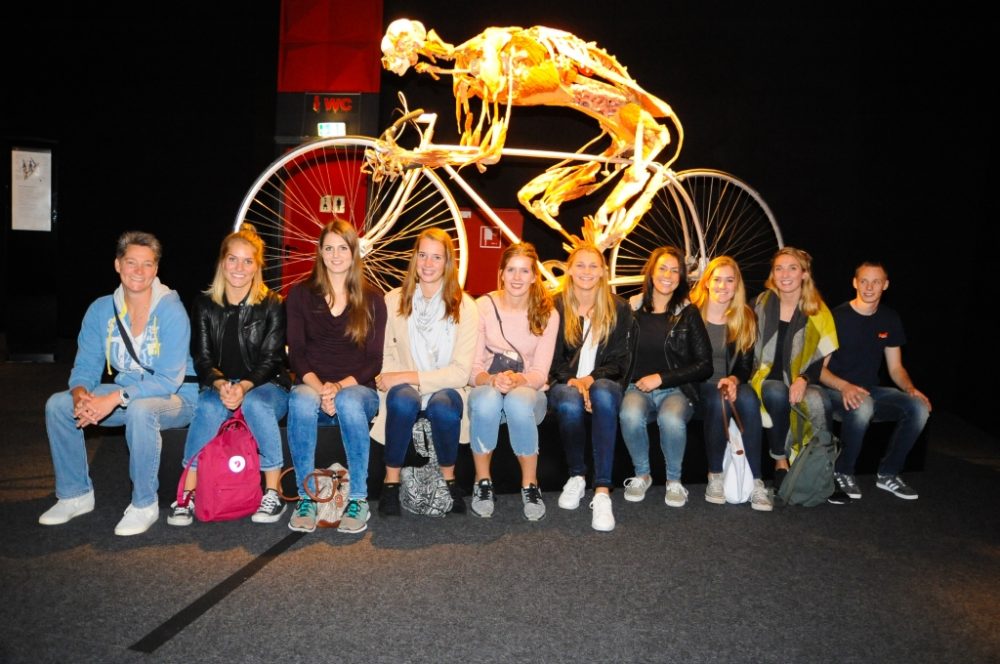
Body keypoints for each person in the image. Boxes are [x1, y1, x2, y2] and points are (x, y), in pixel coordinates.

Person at [40, 231, 198, 536]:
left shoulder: (171, 310)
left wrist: (114, 398)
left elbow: (168, 379)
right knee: (58, 405)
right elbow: (86, 365)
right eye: (131, 262)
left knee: (140, 410)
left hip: (178, 396)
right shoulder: (100, 310)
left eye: (147, 264)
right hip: (129, 392)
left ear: (156, 269)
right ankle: (75, 495)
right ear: (117, 265)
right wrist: (80, 395)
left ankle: (144, 504)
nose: (139, 271)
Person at [168, 224, 291, 527]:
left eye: (248, 261)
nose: (239, 267)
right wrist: (222, 384)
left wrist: (245, 387)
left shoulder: (273, 304)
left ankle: (272, 492)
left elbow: (272, 359)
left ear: (257, 266)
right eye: (233, 259)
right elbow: (203, 358)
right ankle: (187, 492)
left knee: (255, 405)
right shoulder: (204, 304)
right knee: (209, 407)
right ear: (222, 262)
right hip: (220, 385)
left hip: (267, 386)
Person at [285, 219, 386, 534]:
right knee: (300, 401)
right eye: (329, 248)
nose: (335, 255)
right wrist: (321, 388)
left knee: (350, 402)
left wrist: (338, 388)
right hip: (312, 383)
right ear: (320, 252)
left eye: (343, 248)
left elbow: (374, 361)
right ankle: (306, 498)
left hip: (358, 388)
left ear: (354, 252)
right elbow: (297, 354)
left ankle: (358, 498)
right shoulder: (300, 295)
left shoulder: (372, 298)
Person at [371, 228, 479, 516]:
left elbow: (459, 373)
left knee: (444, 407)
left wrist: (408, 377)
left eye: (436, 257)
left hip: (447, 387)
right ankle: (390, 482)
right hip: (405, 387)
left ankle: (449, 479)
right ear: (414, 259)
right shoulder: (393, 300)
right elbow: (387, 356)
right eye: (423, 256)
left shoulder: (466, 306)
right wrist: (398, 378)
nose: (429, 264)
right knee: (402, 400)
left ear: (448, 263)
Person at [819, 261, 931, 500]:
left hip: (869, 390)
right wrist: (844, 386)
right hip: (834, 390)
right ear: (854, 283)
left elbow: (896, 367)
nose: (869, 287)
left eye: (876, 281)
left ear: (885, 285)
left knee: (919, 408)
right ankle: (843, 471)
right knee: (863, 405)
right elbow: (818, 370)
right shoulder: (836, 317)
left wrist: (910, 388)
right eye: (864, 281)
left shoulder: (890, 318)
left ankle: (888, 474)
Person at [467, 242, 559, 521]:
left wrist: (518, 379)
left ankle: (530, 485)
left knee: (519, 402)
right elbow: (472, 367)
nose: (517, 278)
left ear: (534, 276)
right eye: (511, 270)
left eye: (524, 271)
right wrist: (490, 380)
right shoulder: (482, 306)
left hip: (529, 391)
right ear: (501, 274)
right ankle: (482, 482)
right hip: (487, 385)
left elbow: (541, 373)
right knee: (486, 400)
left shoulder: (547, 313)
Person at [619, 246, 712, 508]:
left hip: (677, 390)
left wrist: (662, 378)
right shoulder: (631, 309)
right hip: (637, 388)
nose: (668, 275)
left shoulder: (688, 312)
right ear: (651, 272)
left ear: (681, 278)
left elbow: (705, 365)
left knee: (670, 419)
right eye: (662, 268)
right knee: (629, 414)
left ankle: (674, 481)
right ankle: (642, 475)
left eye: (675, 271)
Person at [548, 244, 632, 531]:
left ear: (602, 271)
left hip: (602, 381)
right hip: (563, 383)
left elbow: (621, 359)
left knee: (605, 395)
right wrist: (573, 381)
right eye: (580, 265)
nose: (586, 271)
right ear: (569, 269)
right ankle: (577, 475)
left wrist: (589, 380)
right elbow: (550, 356)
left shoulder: (620, 308)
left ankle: (602, 491)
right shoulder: (555, 305)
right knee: (570, 402)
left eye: (593, 266)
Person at [749, 247, 838, 495]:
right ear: (772, 274)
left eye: (792, 268)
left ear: (804, 274)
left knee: (820, 401)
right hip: (764, 378)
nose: (785, 274)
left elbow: (823, 357)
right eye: (779, 268)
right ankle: (780, 461)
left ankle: (822, 468)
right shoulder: (759, 304)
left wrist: (803, 379)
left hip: (803, 379)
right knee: (777, 392)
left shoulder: (818, 310)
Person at [689, 256, 772, 511]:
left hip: (732, 384)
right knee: (717, 398)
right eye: (717, 280)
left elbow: (745, 365)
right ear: (706, 283)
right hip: (699, 387)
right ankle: (715, 475)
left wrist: (734, 379)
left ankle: (758, 481)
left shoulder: (745, 316)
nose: (722, 286)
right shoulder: (690, 314)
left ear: (737, 286)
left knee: (749, 398)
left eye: (729, 280)